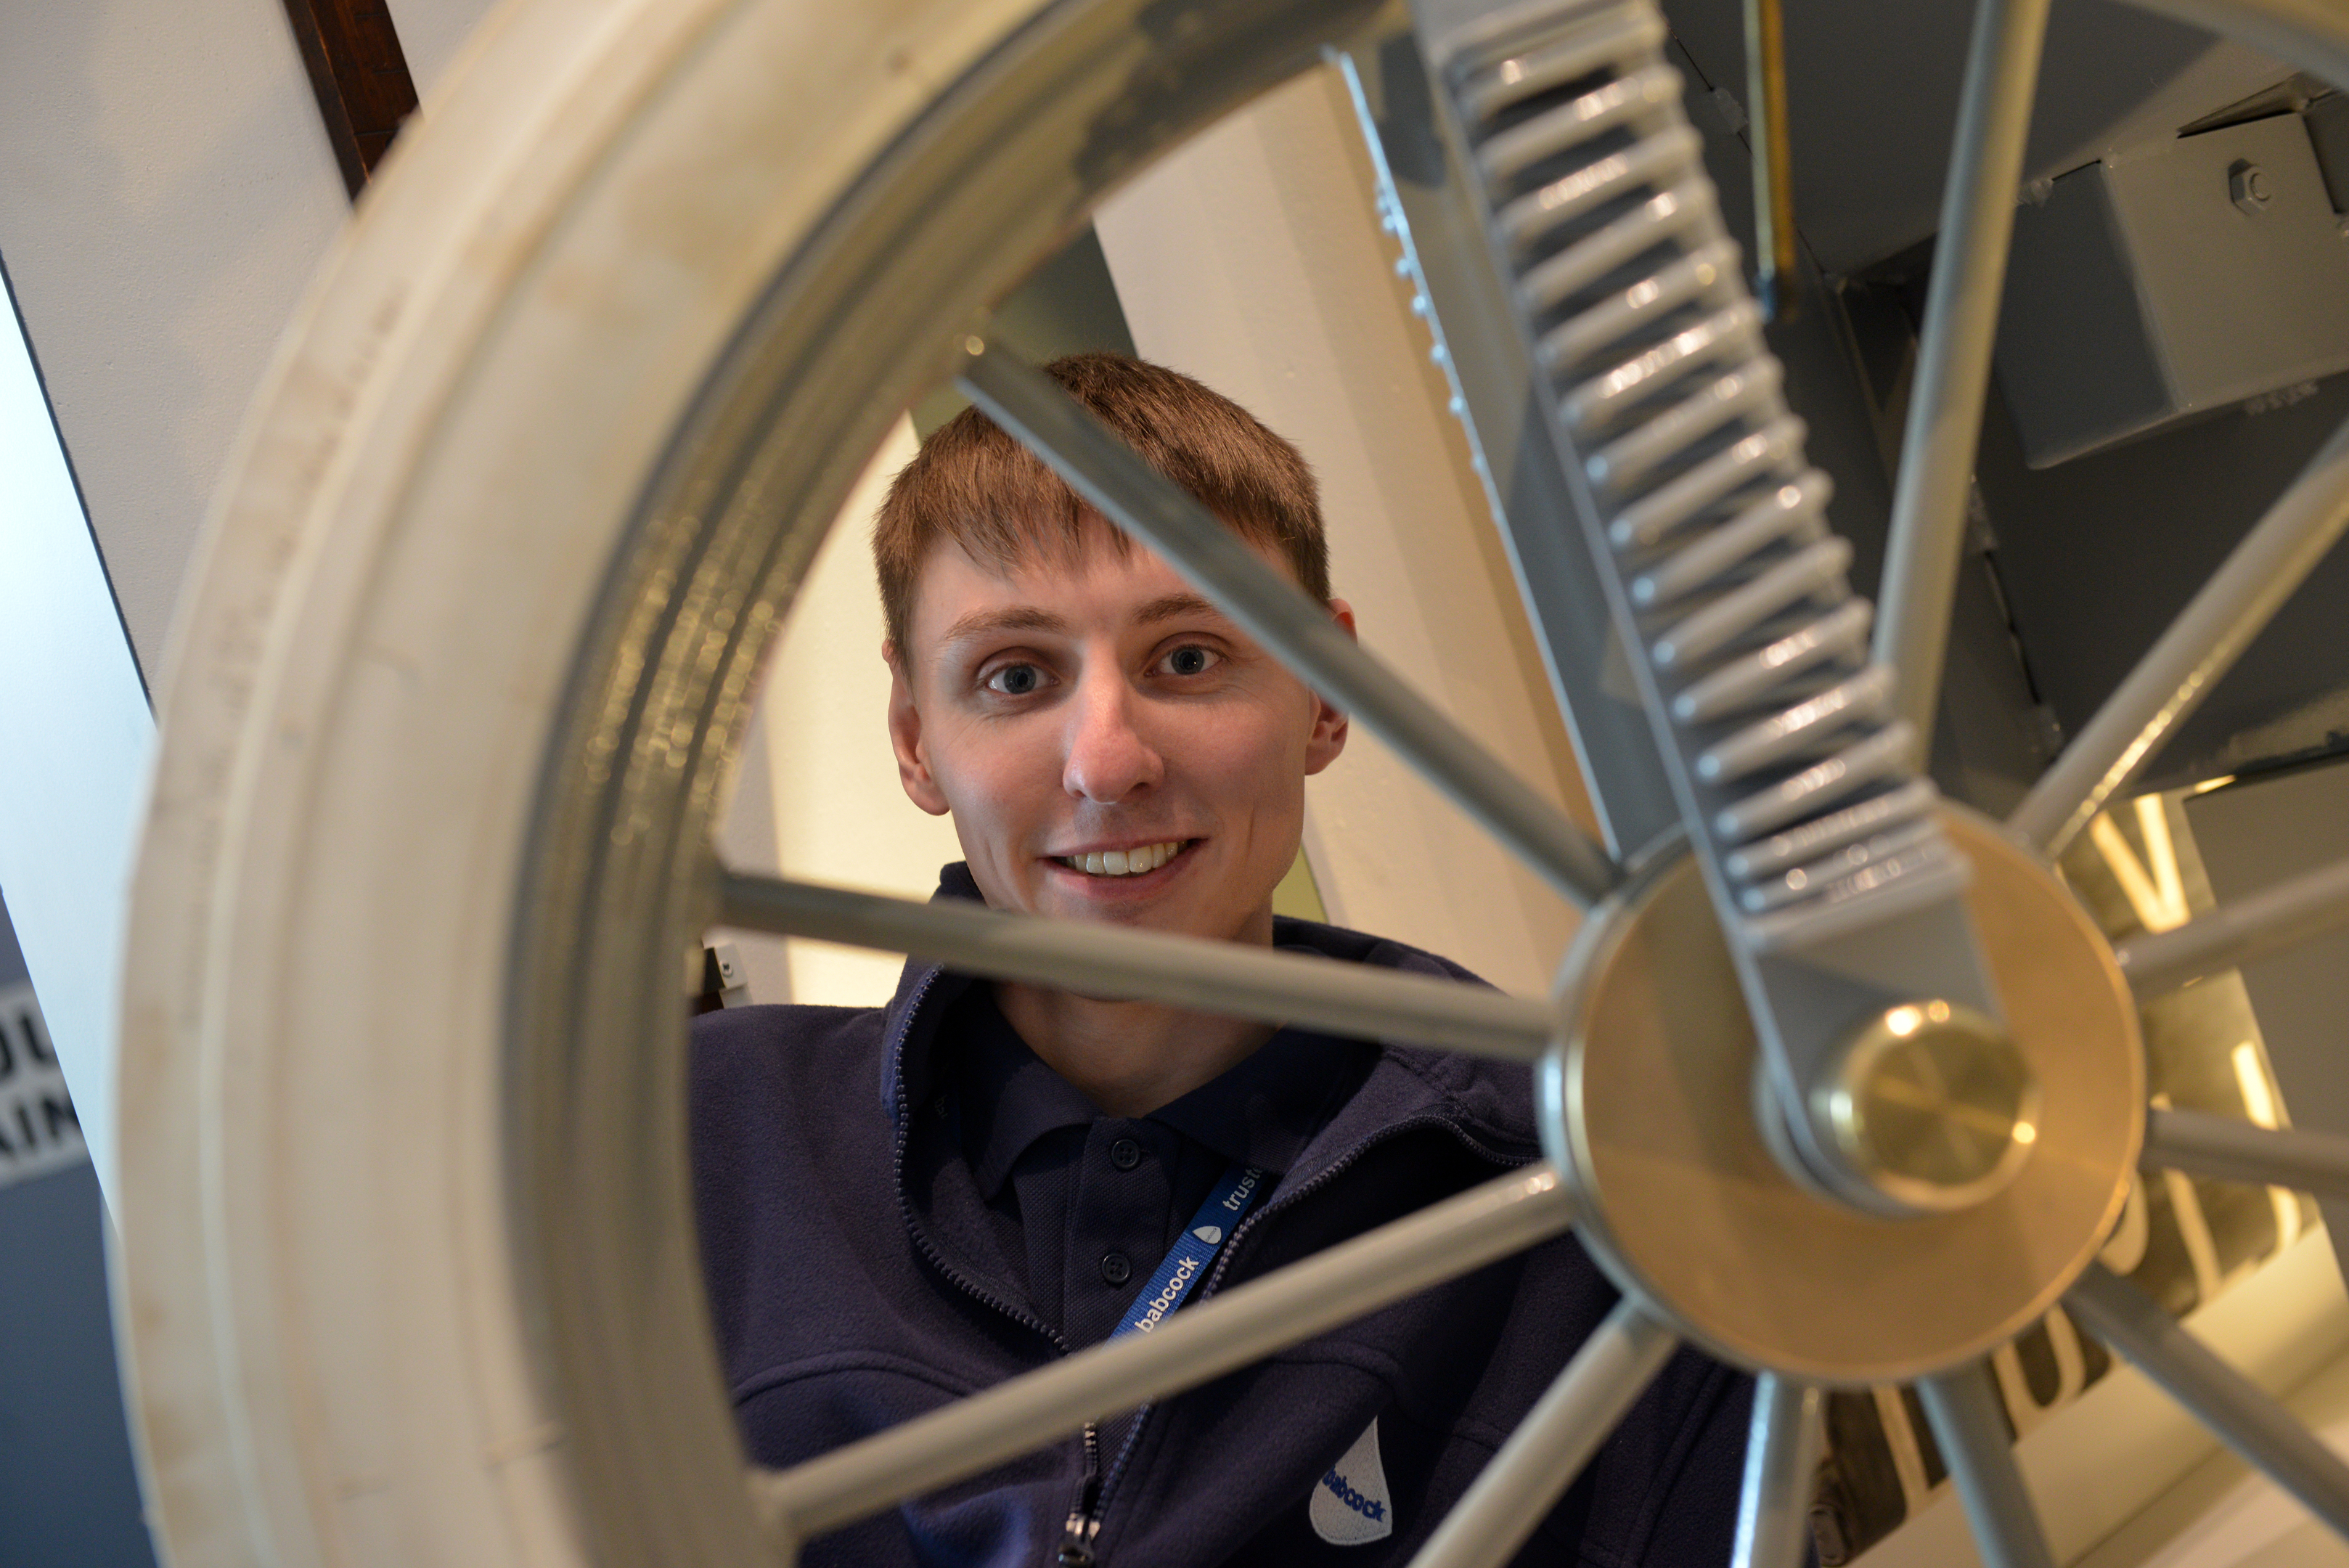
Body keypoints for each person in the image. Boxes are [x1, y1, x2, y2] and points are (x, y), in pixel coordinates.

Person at [692, 353, 1749, 1566]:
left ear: (1328, 691)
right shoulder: (701, 1147)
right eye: (1016, 676)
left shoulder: (1581, 1197)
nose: (1109, 761)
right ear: (913, 738)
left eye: (1188, 658)